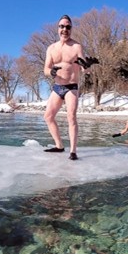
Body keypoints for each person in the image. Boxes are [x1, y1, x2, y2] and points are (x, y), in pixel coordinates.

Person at [43, 15, 85, 160]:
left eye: (68, 27)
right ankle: (59, 145)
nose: (65, 29)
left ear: (71, 29)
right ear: (58, 28)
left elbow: (84, 66)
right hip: (57, 87)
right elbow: (46, 69)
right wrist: (51, 72)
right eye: (62, 26)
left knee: (71, 116)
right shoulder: (51, 48)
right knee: (48, 116)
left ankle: (73, 151)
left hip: (71, 87)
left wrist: (87, 66)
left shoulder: (76, 46)